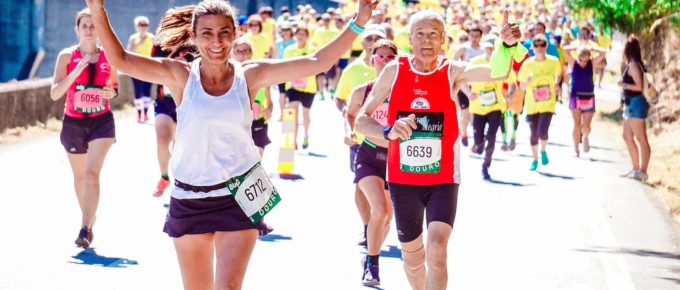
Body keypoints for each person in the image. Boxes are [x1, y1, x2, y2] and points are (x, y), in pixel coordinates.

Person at [85, 1, 377, 289]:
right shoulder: (180, 76)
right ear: (195, 36)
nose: (217, 41)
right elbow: (121, 60)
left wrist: (360, 19)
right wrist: (97, 9)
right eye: (208, 33)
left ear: (236, 33)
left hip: (239, 196)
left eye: (225, 32)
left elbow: (318, 62)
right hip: (190, 197)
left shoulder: (250, 75)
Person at [355, 10, 523, 290]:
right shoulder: (395, 70)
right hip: (402, 179)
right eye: (420, 34)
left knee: (437, 250)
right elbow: (362, 119)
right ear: (409, 38)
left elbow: (497, 72)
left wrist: (507, 45)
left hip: (443, 178)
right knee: (412, 259)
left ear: (443, 39)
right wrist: (388, 130)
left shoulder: (451, 70)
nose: (427, 40)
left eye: (433, 34)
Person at [49, 7, 118, 248]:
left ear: (99, 30)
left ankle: (85, 228)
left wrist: (112, 91)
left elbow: (115, 87)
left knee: (91, 174)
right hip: (73, 123)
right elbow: (55, 93)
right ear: (77, 29)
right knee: (79, 177)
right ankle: (89, 217)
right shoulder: (67, 56)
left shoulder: (110, 56)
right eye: (84, 26)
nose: (89, 30)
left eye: (93, 26)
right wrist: (76, 72)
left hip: (101, 122)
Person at [346, 39, 398, 286]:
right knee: (381, 210)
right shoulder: (362, 91)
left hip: (395, 159)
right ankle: (373, 266)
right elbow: (350, 115)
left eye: (390, 58)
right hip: (368, 154)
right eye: (380, 57)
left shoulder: (404, 92)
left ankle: (370, 254)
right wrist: (348, 132)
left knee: (386, 218)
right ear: (372, 59)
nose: (385, 61)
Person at [335, 23, 385, 247]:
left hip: (386, 140)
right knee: (360, 185)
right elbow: (340, 98)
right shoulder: (352, 70)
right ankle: (367, 226)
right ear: (363, 43)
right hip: (359, 138)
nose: (373, 41)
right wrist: (348, 118)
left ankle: (379, 223)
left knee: (384, 192)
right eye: (369, 38)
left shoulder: (395, 69)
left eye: (378, 37)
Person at [149, 38, 195, 197]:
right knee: (162, 139)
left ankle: (178, 179)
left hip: (186, 100)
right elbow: (150, 67)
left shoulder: (193, 45)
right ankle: (164, 176)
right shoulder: (159, 46)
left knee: (180, 145)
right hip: (164, 101)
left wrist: (186, 65)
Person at [518, 34, 562, 171]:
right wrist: (527, 81)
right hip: (532, 104)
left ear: (546, 46)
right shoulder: (527, 64)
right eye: (536, 45)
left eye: (542, 44)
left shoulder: (554, 61)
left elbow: (558, 76)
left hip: (548, 103)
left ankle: (543, 151)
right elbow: (522, 87)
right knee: (534, 133)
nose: (539, 48)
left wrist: (557, 84)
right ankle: (534, 159)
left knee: (543, 130)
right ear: (532, 47)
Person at [467, 41, 509, 179]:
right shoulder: (474, 61)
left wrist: (510, 92)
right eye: (488, 47)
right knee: (479, 143)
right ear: (483, 48)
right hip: (478, 106)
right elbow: (463, 79)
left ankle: (486, 166)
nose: (490, 50)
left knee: (492, 137)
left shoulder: (501, 63)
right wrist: (469, 93)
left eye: (493, 47)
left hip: (496, 106)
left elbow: (511, 79)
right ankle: (479, 143)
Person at [562, 44, 607, 157]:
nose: (584, 60)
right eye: (582, 57)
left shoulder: (592, 63)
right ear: (579, 56)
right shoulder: (573, 63)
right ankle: (576, 148)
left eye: (586, 57)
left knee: (586, 125)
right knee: (577, 124)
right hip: (576, 96)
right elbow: (565, 50)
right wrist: (577, 47)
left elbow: (603, 52)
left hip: (588, 96)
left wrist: (592, 48)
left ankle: (585, 136)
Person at [618, 35, 652, 181]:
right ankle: (635, 168)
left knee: (641, 139)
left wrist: (623, 85)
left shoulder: (633, 65)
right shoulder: (634, 63)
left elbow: (638, 87)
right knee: (627, 136)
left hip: (635, 104)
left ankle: (643, 171)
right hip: (629, 104)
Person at [283, 24, 316, 150]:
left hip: (309, 87)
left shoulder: (312, 50)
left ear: (307, 37)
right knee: (293, 112)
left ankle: (306, 136)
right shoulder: (289, 50)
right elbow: (285, 67)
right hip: (292, 86)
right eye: (298, 34)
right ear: (295, 35)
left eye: (303, 34)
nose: (300, 36)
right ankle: (293, 140)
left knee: (305, 114)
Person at [452, 24, 485, 147]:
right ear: (469, 36)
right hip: (465, 85)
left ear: (481, 36)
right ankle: (464, 133)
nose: (474, 38)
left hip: (480, 85)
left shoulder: (484, 49)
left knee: (477, 114)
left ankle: (478, 138)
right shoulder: (463, 49)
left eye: (477, 36)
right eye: (472, 36)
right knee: (465, 113)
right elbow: (453, 64)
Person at [127, 15, 154, 122]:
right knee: (137, 91)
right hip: (135, 69)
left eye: (145, 25)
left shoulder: (152, 38)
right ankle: (139, 114)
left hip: (148, 68)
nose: (143, 27)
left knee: (146, 90)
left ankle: (146, 113)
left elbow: (155, 53)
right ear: (137, 26)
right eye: (141, 25)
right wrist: (138, 42)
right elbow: (128, 53)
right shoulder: (133, 38)